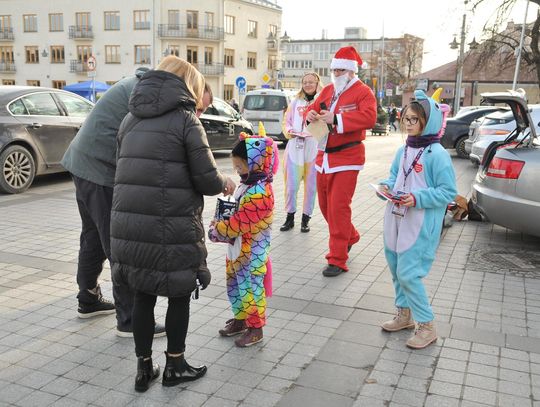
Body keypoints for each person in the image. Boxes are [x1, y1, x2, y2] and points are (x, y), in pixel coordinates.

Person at [109, 55, 235, 392]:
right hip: (172, 225)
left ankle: (143, 368)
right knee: (179, 293)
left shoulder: (129, 119)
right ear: (188, 85)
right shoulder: (185, 120)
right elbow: (207, 180)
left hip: (130, 228)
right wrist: (225, 181)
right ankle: (175, 365)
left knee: (143, 295)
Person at [61, 67, 214, 337]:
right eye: (199, 107)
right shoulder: (151, 96)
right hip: (100, 168)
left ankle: (88, 297)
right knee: (121, 244)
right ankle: (129, 320)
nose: (198, 114)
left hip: (83, 162)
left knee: (94, 235)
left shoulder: (144, 87)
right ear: (188, 84)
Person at [377, 90, 456, 349]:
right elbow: (394, 177)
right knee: (396, 268)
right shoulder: (404, 149)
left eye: (414, 119)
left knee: (409, 273)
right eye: (406, 119)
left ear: (429, 121)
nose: (408, 124)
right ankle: (404, 314)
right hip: (396, 218)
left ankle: (427, 325)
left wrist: (418, 198)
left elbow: (448, 192)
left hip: (420, 223)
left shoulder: (437, 154)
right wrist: (386, 188)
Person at [305, 46, 377, 277]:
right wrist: (310, 114)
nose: (335, 74)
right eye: (334, 70)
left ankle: (337, 259)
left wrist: (336, 118)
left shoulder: (363, 92)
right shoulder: (327, 91)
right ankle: (351, 235)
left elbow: (369, 117)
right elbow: (311, 109)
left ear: (351, 72)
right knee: (326, 207)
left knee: (337, 208)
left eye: (340, 70)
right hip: (323, 157)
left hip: (347, 158)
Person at [208, 124, 278, 348]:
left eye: (240, 166)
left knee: (251, 288)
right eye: (236, 166)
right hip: (237, 250)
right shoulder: (247, 184)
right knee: (235, 286)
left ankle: (256, 328)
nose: (237, 171)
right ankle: (240, 319)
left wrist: (217, 229)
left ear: (256, 163)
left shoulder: (260, 193)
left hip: (251, 253)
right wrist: (220, 219)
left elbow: (240, 223)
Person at [280, 72, 322, 233]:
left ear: (317, 83)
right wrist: (290, 131)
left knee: (311, 187)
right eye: (305, 82)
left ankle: (306, 219)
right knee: (291, 186)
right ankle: (290, 218)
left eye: (311, 82)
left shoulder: (322, 101)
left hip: (313, 147)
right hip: (295, 147)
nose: (308, 85)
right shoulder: (295, 101)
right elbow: (286, 122)